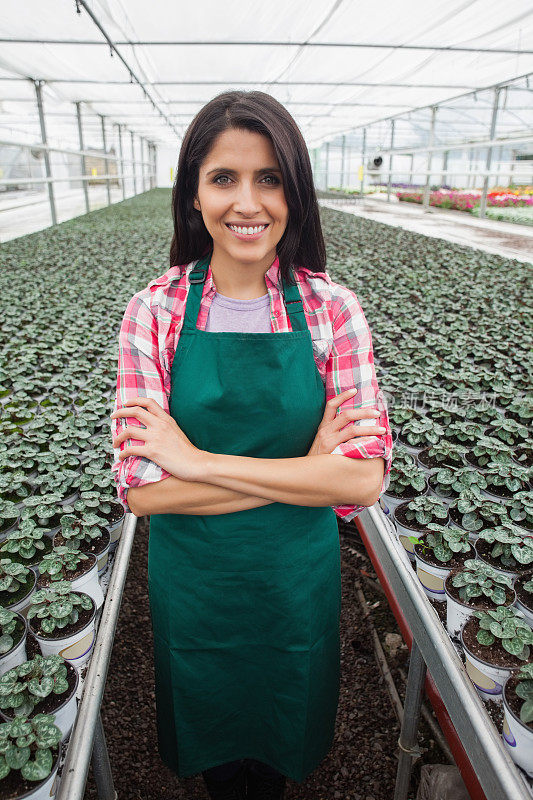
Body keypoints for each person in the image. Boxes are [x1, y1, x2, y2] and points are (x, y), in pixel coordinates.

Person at [110, 90, 393, 800]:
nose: (248, 202)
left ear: (294, 190)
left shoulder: (332, 308)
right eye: (223, 178)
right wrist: (308, 470)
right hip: (197, 587)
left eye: (269, 178)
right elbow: (143, 489)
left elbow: (362, 482)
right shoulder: (156, 310)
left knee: (275, 743)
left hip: (292, 586)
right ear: (193, 194)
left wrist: (198, 461)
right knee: (218, 753)